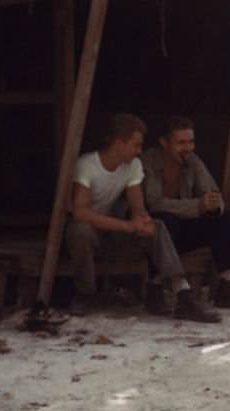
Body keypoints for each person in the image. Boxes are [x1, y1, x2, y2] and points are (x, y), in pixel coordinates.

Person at [66, 113, 220, 322]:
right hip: (93, 229)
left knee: (157, 227)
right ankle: (85, 294)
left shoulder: (133, 166)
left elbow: (137, 205)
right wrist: (127, 226)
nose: (140, 151)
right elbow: (80, 211)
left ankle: (183, 294)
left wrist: (142, 220)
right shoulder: (87, 165)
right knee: (79, 230)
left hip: (115, 232)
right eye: (136, 145)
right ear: (119, 143)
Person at [141, 117, 230, 309]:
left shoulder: (193, 161)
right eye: (181, 143)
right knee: (165, 221)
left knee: (224, 218)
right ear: (164, 142)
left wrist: (213, 205)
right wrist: (197, 206)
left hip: (184, 229)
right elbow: (154, 203)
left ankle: (228, 284)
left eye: (191, 142)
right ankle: (159, 289)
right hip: (156, 232)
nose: (188, 148)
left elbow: (213, 193)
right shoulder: (149, 161)